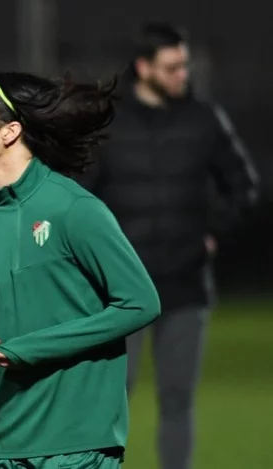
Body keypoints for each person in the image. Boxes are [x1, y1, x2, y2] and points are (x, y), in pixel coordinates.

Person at [0, 71, 162, 469]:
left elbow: (140, 303)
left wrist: (28, 349)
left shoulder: (75, 209)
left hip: (80, 444)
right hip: (10, 441)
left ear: (10, 131)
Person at [78, 23, 259, 469]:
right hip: (121, 287)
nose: (183, 74)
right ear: (144, 68)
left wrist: (213, 234)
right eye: (172, 67)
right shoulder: (108, 123)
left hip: (185, 283)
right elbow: (78, 197)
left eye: (184, 65)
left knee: (178, 399)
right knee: (111, 398)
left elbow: (243, 185)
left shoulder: (204, 119)